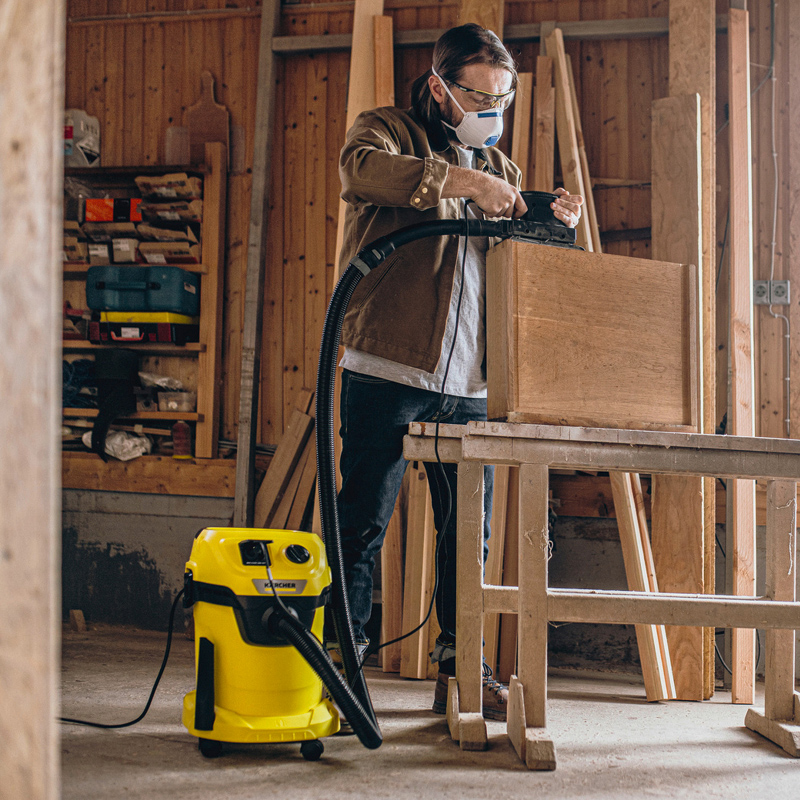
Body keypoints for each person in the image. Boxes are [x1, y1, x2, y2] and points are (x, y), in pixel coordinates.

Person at [334, 23, 583, 722]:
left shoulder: (499, 168)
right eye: (480, 97)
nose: (493, 112)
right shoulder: (385, 130)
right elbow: (360, 171)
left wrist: (555, 221)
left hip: (467, 379)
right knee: (363, 519)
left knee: (464, 533)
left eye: (503, 99)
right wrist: (458, 180)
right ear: (441, 88)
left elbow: (518, 257)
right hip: (389, 360)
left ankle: (460, 665)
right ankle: (344, 659)